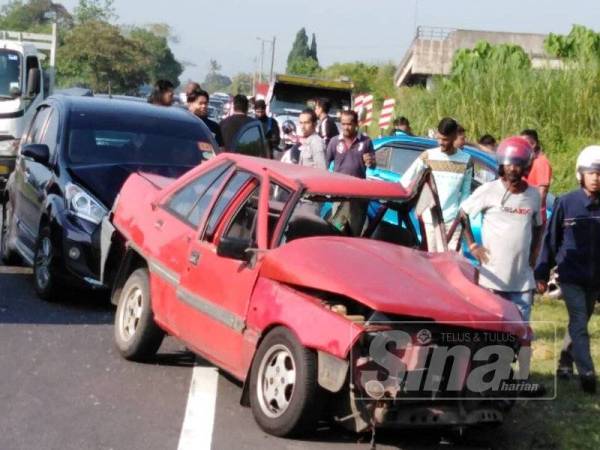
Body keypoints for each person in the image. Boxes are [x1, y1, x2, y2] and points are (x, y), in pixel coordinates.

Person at [535, 146, 600, 393]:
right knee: (580, 322)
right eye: (591, 173)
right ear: (580, 174)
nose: (596, 178)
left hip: (595, 279)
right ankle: (587, 372)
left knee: (578, 321)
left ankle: (564, 363)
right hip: (570, 276)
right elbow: (550, 241)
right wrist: (541, 272)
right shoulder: (567, 203)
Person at [460, 136, 544, 323]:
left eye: (517, 164)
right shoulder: (489, 190)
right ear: (502, 165)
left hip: (522, 282)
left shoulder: (533, 195)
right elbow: (462, 214)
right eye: (509, 164)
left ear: (525, 167)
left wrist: (534, 255)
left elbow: (538, 226)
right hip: (492, 281)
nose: (513, 169)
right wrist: (473, 245)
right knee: (492, 336)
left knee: (519, 335)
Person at [401, 117, 473, 252]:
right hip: (429, 220)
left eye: (445, 139)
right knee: (430, 263)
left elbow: (465, 193)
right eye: (438, 138)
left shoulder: (466, 161)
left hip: (453, 221)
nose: (441, 143)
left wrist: (461, 216)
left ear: (454, 136)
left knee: (451, 265)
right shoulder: (427, 156)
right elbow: (405, 181)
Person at [326, 110, 375, 179]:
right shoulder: (334, 141)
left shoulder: (366, 141)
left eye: (349, 124)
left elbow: (373, 166)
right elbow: (325, 164)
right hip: (338, 184)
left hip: (358, 186)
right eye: (343, 124)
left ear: (356, 124)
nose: (346, 128)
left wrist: (370, 162)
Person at [521, 129, 552, 222]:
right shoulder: (530, 162)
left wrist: (533, 214)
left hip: (534, 218)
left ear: (533, 144)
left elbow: (542, 192)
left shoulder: (541, 162)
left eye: (523, 144)